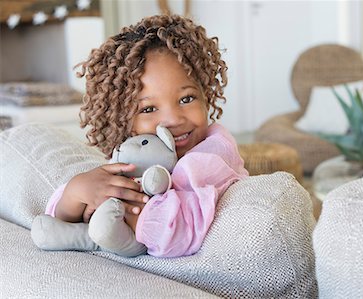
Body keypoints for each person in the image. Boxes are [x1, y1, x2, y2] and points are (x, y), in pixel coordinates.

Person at [37, 14, 248, 257]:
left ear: (205, 96)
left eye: (186, 99)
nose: (174, 119)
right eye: (148, 109)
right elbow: (64, 217)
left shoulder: (214, 152)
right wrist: (76, 195)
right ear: (123, 119)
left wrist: (123, 209)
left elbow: (182, 229)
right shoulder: (136, 153)